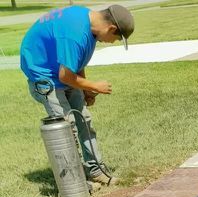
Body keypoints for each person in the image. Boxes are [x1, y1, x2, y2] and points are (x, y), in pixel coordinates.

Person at [20, 5, 135, 186]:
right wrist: (95, 86)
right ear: (111, 28)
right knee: (67, 126)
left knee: (85, 120)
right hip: (44, 76)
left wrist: (85, 89)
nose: (113, 42)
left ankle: (96, 171)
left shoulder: (89, 25)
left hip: (61, 72)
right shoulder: (75, 33)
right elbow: (65, 76)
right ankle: (74, 181)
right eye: (116, 38)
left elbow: (75, 61)